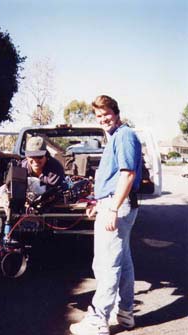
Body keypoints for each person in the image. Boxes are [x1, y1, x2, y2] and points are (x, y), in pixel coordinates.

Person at [69, 95, 142, 335]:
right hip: (111, 204)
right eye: (99, 116)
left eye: (106, 114)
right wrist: (98, 202)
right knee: (123, 262)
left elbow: (128, 174)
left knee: (106, 264)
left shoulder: (124, 136)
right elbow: (111, 179)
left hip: (117, 207)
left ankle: (98, 320)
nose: (103, 120)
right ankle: (126, 313)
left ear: (116, 112)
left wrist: (111, 208)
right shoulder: (114, 138)